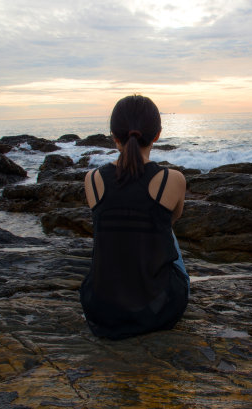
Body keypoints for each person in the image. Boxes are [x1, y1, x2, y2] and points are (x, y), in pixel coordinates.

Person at [79, 95, 189, 340]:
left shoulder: (92, 179)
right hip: (157, 313)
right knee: (164, 227)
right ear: (157, 134)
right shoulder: (173, 179)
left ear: (114, 136)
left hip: (100, 312)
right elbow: (173, 220)